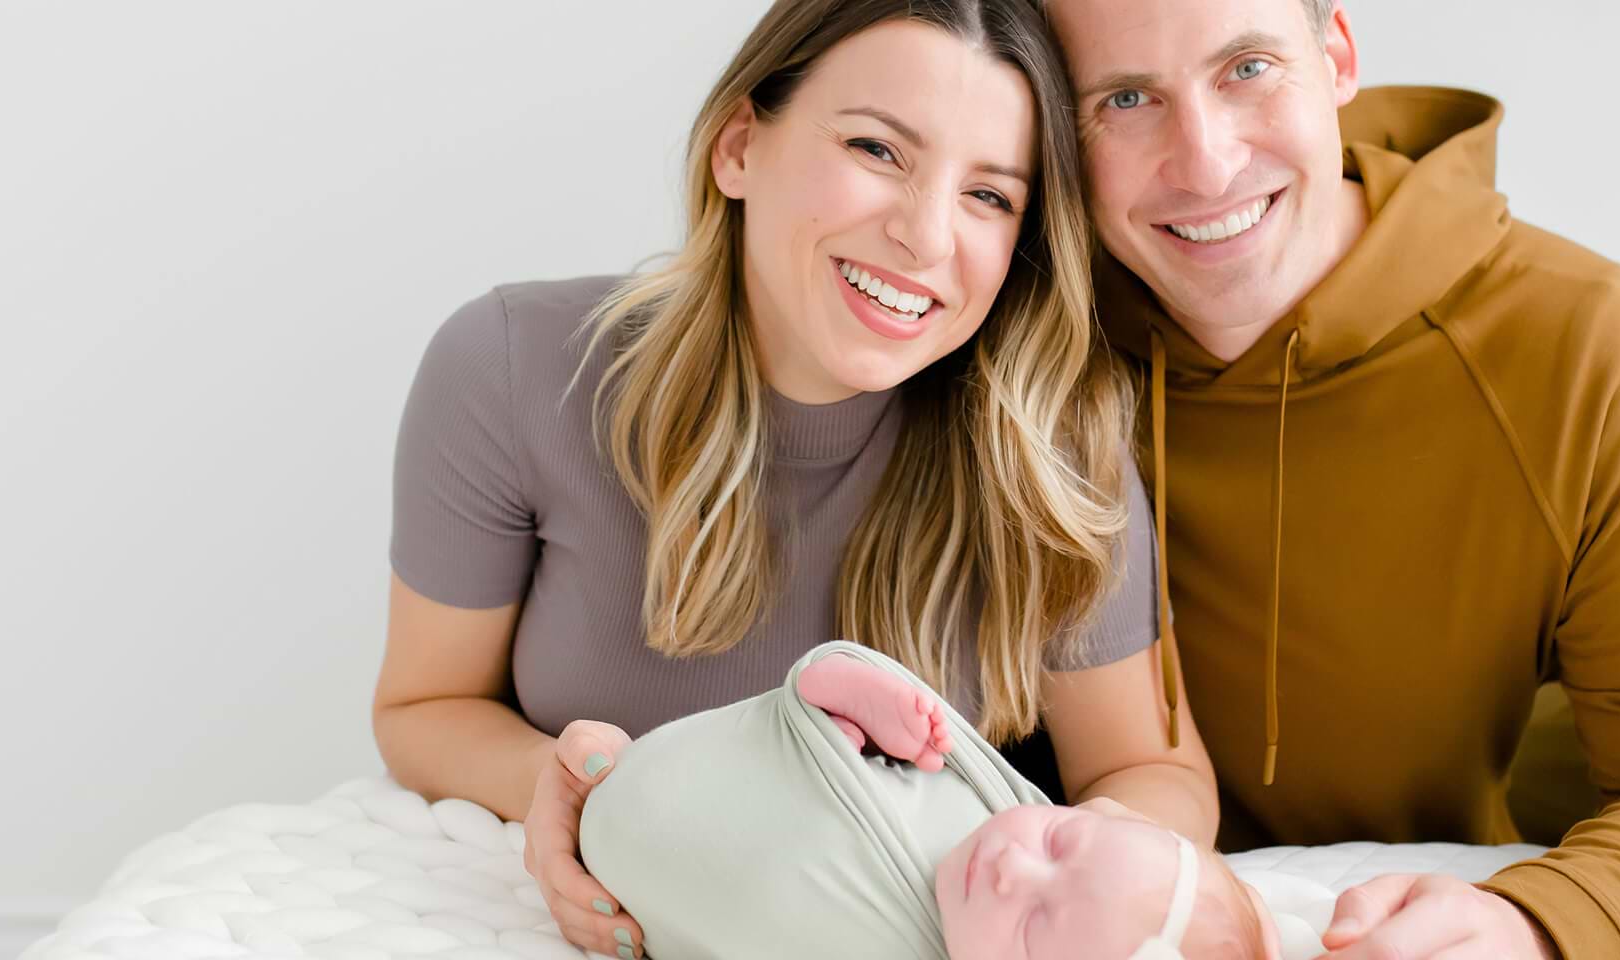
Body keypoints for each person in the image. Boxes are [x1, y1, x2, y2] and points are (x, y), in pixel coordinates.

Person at [371, 1, 1217, 957]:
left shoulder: (1050, 443)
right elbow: (422, 709)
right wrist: (572, 790)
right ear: (738, 146)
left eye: (989, 195)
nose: (926, 237)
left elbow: (1152, 774)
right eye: (877, 149)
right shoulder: (512, 368)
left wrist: (1054, 890)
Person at [1041, 0, 1620, 956]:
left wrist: (1529, 925)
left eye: (1248, 69)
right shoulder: (1004, 348)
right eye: (1126, 100)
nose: (1207, 164)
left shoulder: (1588, 346)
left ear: (1337, 55)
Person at [581, 641, 1295, 959]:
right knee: (887, 754)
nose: (1014, 867)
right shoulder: (978, 824)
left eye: (1036, 926)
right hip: (730, 774)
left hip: (657, 881)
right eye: (1058, 841)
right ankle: (841, 710)